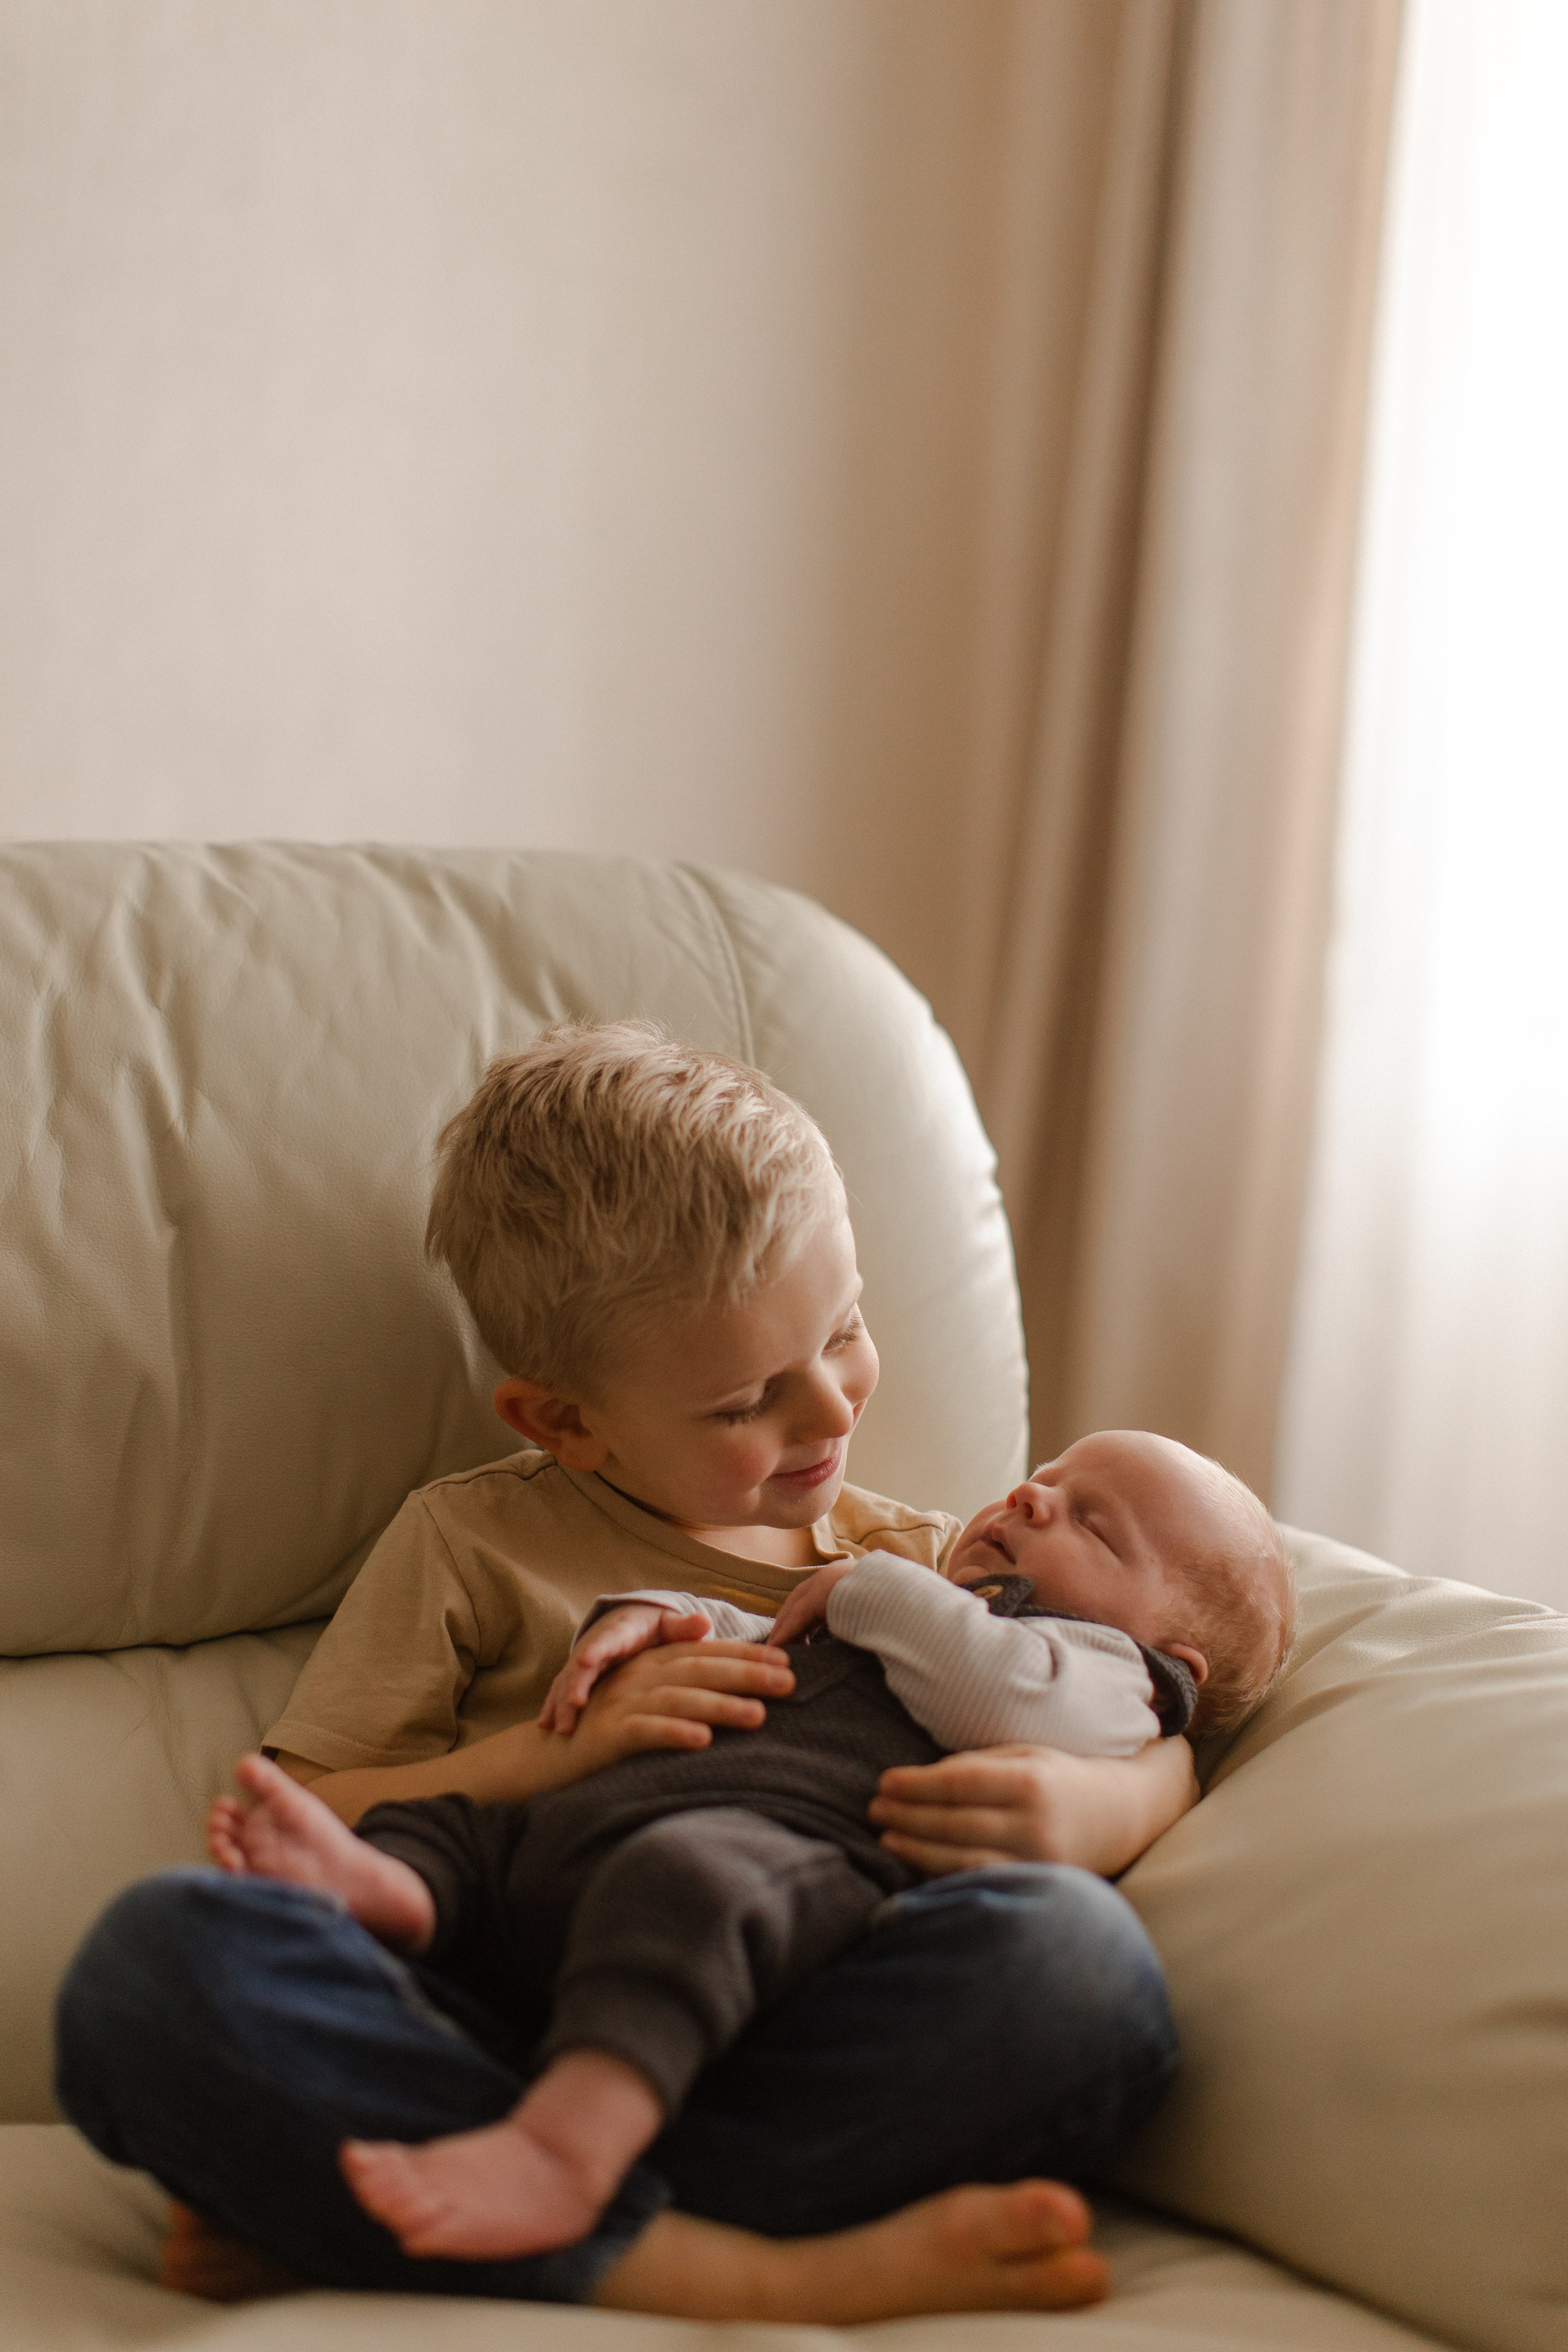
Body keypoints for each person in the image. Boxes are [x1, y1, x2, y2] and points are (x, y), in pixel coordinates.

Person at [55, 1025, 1200, 2323]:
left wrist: (1107, 1807)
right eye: (743, 1401)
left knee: (1076, 1970)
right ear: (562, 1419)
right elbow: (295, 1825)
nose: (828, 1410)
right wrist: (551, 1758)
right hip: (491, 2004)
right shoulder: (473, 1539)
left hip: (768, 2015)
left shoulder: (930, 1564)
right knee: (157, 1962)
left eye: (845, 1330)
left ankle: (369, 2211)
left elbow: (1147, 1692)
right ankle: (735, 2268)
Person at [206, 1430, 1293, 2265]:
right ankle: (406, 1903)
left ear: (1172, 1667)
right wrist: (649, 1622)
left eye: (1093, 1526)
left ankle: (554, 2156)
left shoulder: (1091, 1669)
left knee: (723, 1893)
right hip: (568, 1863)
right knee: (258, 1912)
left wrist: (878, 1591)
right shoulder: (904, 1587)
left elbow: (1000, 1688)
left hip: (758, 1886)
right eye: (1044, 1472)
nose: (1031, 1495)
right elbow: (753, 1634)